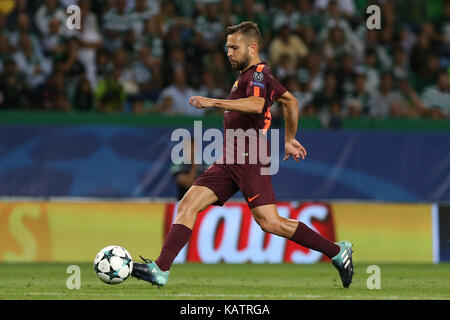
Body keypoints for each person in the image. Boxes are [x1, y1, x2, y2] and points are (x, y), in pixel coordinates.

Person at [131, 21, 354, 288]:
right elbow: (290, 102)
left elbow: (257, 104)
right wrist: (290, 138)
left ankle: (337, 252)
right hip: (229, 158)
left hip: (250, 157)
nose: (228, 53)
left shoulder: (258, 74)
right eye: (227, 47)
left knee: (269, 222)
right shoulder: (248, 76)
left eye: (234, 47)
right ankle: (161, 269)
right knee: (188, 204)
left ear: (252, 47)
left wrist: (214, 102)